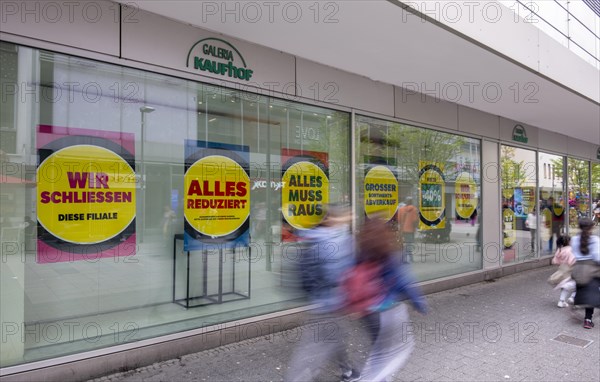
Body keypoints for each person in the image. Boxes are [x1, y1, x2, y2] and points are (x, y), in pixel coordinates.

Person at [285, 204, 361, 382]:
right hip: (329, 302)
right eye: (344, 215)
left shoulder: (329, 236)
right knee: (314, 345)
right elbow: (335, 273)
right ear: (331, 219)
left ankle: (348, 371)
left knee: (335, 337)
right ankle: (297, 378)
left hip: (327, 301)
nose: (348, 218)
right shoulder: (331, 240)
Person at [355, 218, 427, 382]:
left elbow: (351, 278)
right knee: (401, 348)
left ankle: (379, 378)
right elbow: (405, 282)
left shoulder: (361, 253)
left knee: (379, 349)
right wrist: (419, 304)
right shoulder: (393, 255)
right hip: (388, 310)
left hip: (367, 311)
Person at [570, 218, 600, 329]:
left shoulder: (574, 239)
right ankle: (588, 320)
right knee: (591, 294)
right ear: (591, 227)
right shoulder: (595, 239)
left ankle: (575, 305)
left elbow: (573, 253)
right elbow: (597, 257)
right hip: (592, 269)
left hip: (578, 268)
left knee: (580, 290)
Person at [551, 234, 576, 307]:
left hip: (562, 270)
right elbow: (572, 261)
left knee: (564, 285)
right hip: (570, 270)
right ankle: (572, 297)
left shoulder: (559, 250)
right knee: (578, 284)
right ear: (568, 242)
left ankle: (562, 301)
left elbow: (555, 261)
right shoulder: (570, 250)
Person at [397, 197, 419, 263]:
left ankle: (405, 259)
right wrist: (415, 228)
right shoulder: (414, 209)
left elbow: (399, 220)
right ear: (411, 202)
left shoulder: (400, 209)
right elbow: (415, 220)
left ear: (405, 202)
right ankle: (409, 259)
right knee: (409, 244)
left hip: (402, 230)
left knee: (404, 244)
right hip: (410, 230)